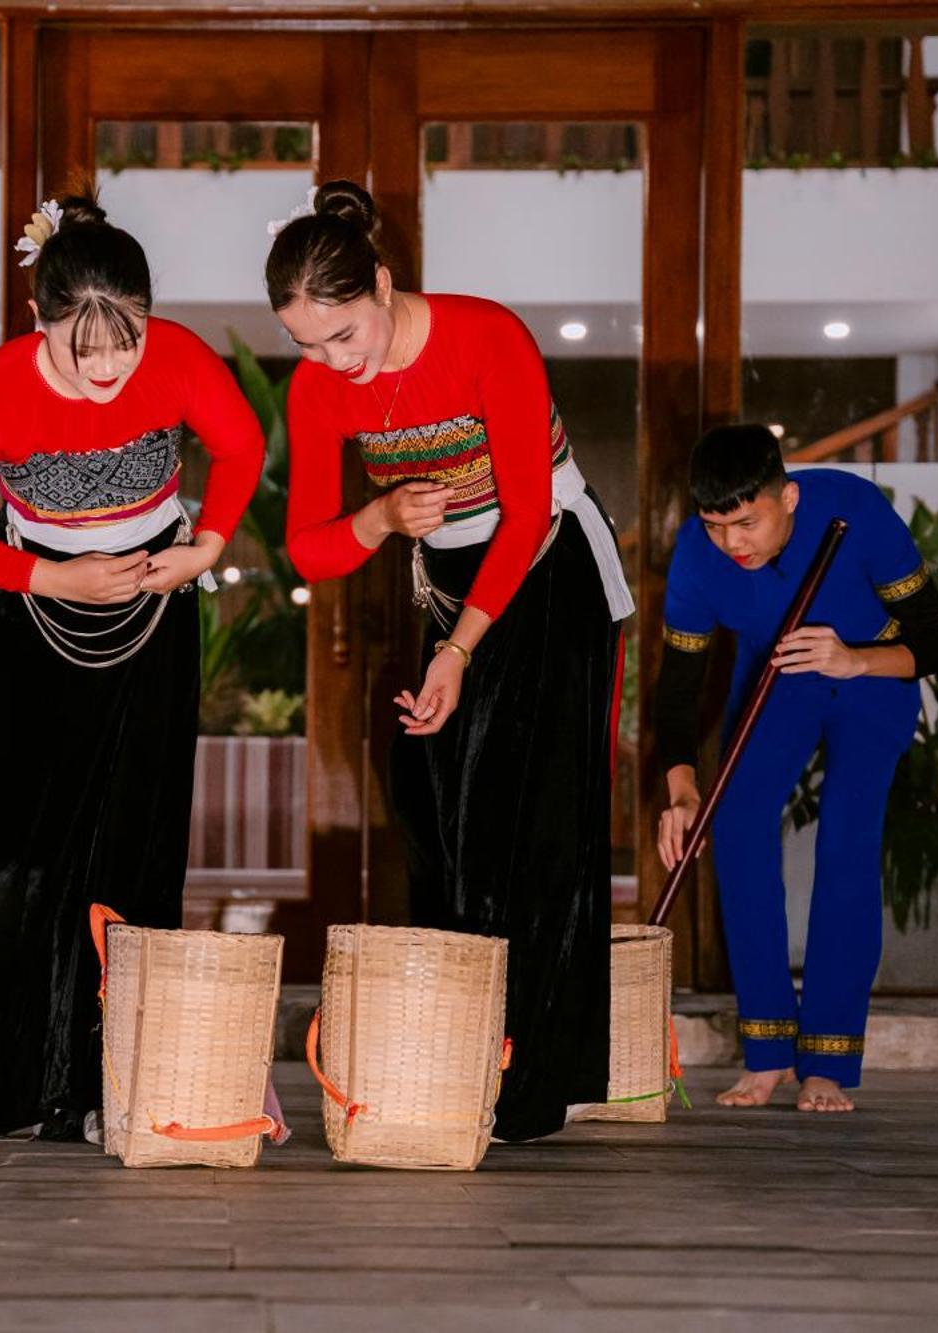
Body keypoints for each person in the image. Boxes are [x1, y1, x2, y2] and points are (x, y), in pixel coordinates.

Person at [269, 180, 634, 1143]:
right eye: (308, 343)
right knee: (442, 814)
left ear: (383, 284)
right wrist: (380, 515)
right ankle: (457, 1055)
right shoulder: (319, 386)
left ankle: (533, 1082)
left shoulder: (485, 338)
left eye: (344, 334)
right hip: (448, 580)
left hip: (547, 572)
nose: (332, 363)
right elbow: (309, 548)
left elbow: (527, 514)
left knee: (529, 828)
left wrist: (462, 650)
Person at [0, 192, 265, 1142]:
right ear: (39, 322)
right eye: (83, 346)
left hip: (154, 620)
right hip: (36, 627)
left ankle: (121, 1083)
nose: (108, 367)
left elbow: (241, 444)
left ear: (151, 316)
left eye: (126, 342)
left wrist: (205, 547)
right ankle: (39, 1081)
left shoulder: (179, 357)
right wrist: (49, 574)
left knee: (134, 858)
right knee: (25, 860)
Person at [655, 424, 938, 1113]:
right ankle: (766, 1051)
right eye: (714, 525)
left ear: (788, 496)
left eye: (747, 521)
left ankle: (827, 1058)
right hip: (779, 673)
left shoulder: (856, 512)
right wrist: (681, 791)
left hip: (872, 669)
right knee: (732, 822)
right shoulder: (697, 559)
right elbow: (677, 687)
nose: (732, 542)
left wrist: (854, 660)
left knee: (846, 839)